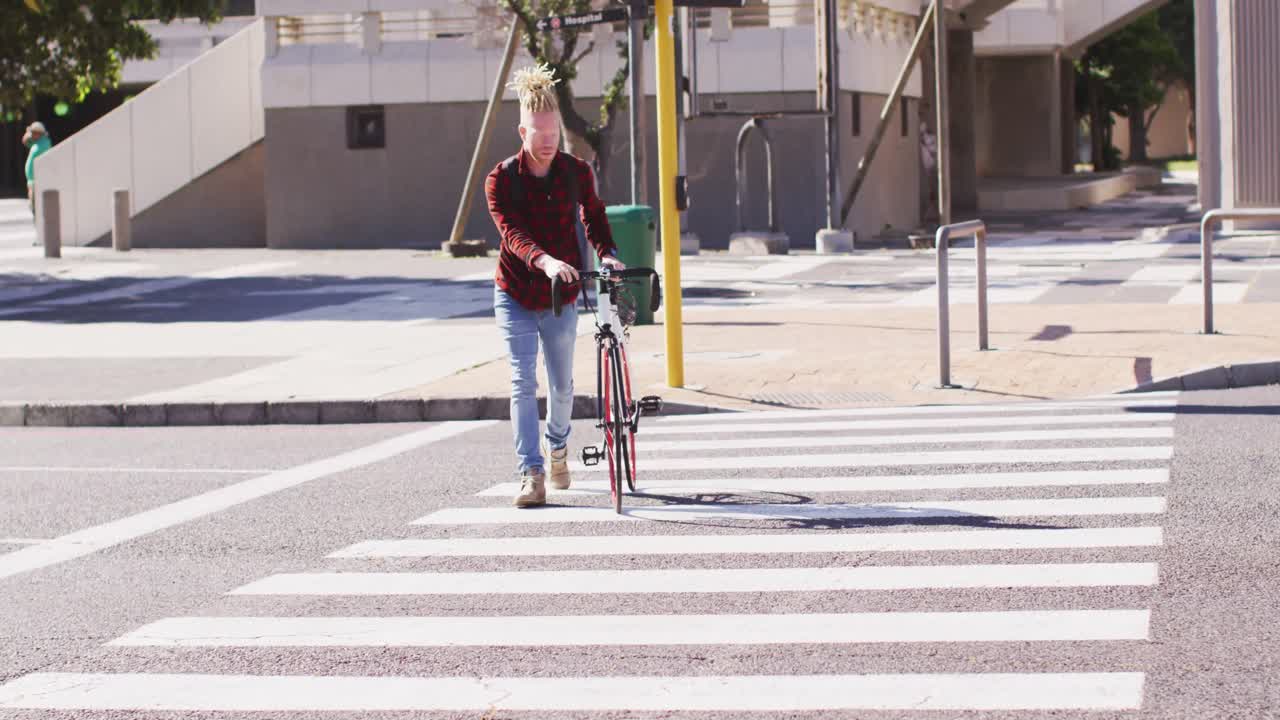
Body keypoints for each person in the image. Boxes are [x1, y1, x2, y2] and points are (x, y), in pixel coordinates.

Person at [485, 64, 624, 508]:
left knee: (562, 387)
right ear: (522, 131)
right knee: (522, 381)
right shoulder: (501, 179)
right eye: (538, 133)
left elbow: (593, 215)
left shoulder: (575, 172)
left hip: (561, 296)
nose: (548, 141)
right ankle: (532, 472)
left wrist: (606, 253)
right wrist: (544, 260)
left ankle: (557, 446)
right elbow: (512, 233)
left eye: (553, 132)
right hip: (516, 291)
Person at [22, 122, 52, 224]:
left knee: (35, 204)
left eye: (33, 133)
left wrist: (29, 133)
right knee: (33, 204)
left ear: (38, 133)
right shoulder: (37, 143)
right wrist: (28, 133)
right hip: (32, 178)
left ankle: (39, 223)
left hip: (37, 178)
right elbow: (25, 141)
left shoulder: (44, 143)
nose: (32, 135)